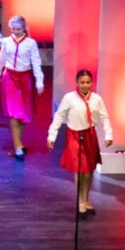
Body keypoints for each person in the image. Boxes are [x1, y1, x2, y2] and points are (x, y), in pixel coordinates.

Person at [48, 69, 113, 217]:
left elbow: (104, 118)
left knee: (89, 170)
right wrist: (52, 136)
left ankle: (86, 198)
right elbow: (59, 116)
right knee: (79, 169)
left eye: (88, 82)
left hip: (89, 135)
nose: (85, 85)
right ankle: (80, 202)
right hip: (74, 136)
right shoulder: (69, 98)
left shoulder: (96, 99)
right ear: (77, 83)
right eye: (82, 82)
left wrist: (108, 134)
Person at [0, 15, 44, 160]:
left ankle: (18, 142)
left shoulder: (31, 43)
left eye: (19, 29)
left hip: (25, 79)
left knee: (23, 115)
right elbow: (1, 59)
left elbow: (36, 62)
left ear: (24, 28)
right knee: (14, 113)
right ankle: (17, 147)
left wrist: (39, 81)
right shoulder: (6, 42)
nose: (15, 32)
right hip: (9, 78)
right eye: (13, 29)